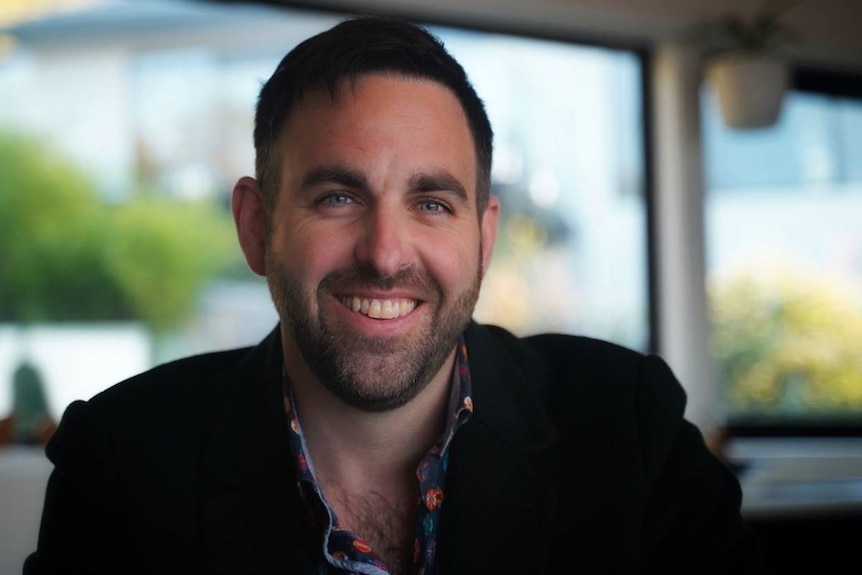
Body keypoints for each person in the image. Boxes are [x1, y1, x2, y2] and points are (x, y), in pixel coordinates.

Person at [24, 15, 767, 575]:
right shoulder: (120, 465)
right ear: (256, 227)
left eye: (433, 203)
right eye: (339, 196)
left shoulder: (630, 432)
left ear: (484, 235)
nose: (384, 254)